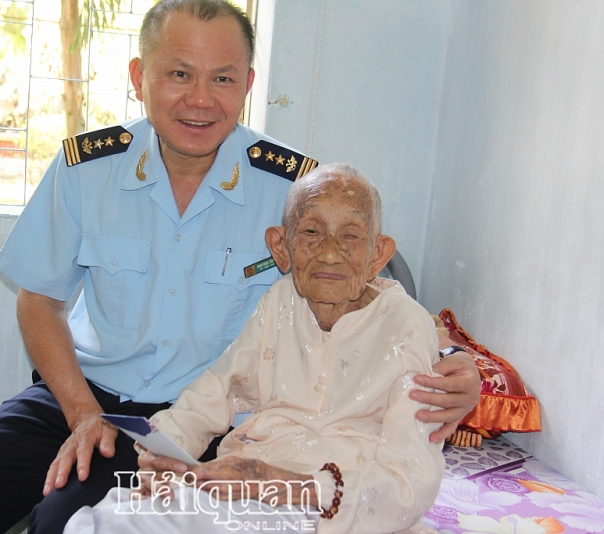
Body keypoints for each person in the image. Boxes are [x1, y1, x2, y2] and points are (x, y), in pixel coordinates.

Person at [0, 2, 479, 534]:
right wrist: (82, 412)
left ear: (245, 83)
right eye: (179, 74)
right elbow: (38, 301)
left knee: (63, 523)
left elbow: (365, 287)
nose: (200, 98)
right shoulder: (86, 169)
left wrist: (456, 366)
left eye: (222, 78)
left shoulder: (291, 187)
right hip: (81, 398)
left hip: (212, 423)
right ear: (140, 77)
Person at [63, 164, 446, 534]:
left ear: (378, 254)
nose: (330, 253)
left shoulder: (406, 325)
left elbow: (410, 480)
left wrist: (277, 484)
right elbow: (216, 391)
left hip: (331, 506)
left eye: (350, 236)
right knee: (106, 517)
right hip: (245, 481)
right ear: (281, 247)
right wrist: (167, 447)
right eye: (312, 231)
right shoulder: (281, 301)